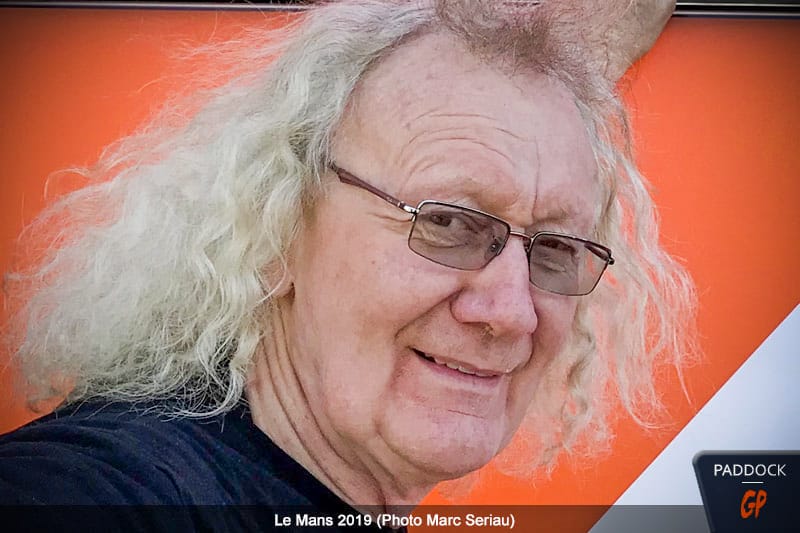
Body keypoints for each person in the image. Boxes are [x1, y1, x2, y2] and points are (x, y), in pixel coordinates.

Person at [0, 0, 695, 530]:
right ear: (278, 225)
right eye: (448, 222)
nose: (511, 312)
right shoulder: (110, 490)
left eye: (555, 248)